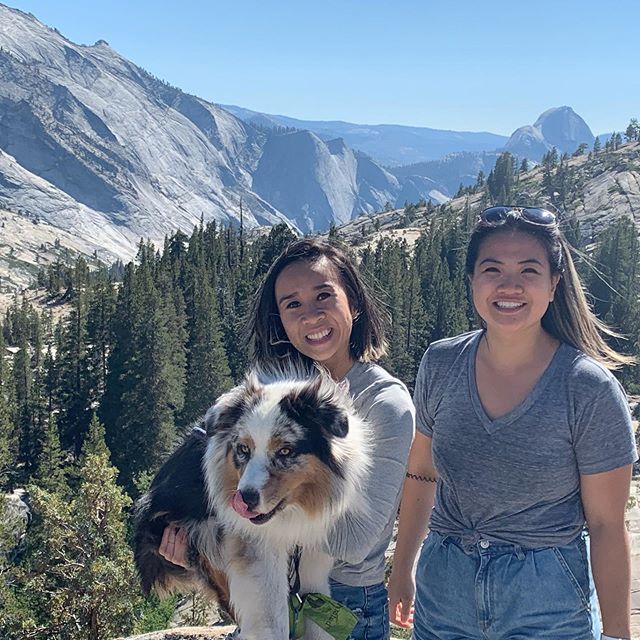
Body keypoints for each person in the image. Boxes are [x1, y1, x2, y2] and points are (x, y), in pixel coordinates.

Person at [387, 205, 637, 640]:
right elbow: (422, 473)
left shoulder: (587, 389)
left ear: (554, 283)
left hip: (546, 600)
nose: (509, 285)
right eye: (492, 268)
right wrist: (403, 568)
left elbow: (605, 525)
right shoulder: (441, 363)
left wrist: (617, 632)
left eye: (528, 270)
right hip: (443, 588)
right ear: (471, 280)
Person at [160, 238, 415, 640]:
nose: (311, 315)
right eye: (292, 304)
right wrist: (201, 546)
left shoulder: (384, 402)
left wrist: (242, 515)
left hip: (343, 604)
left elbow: (355, 540)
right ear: (279, 319)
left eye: (323, 296)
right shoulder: (272, 395)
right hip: (268, 591)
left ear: (355, 302)